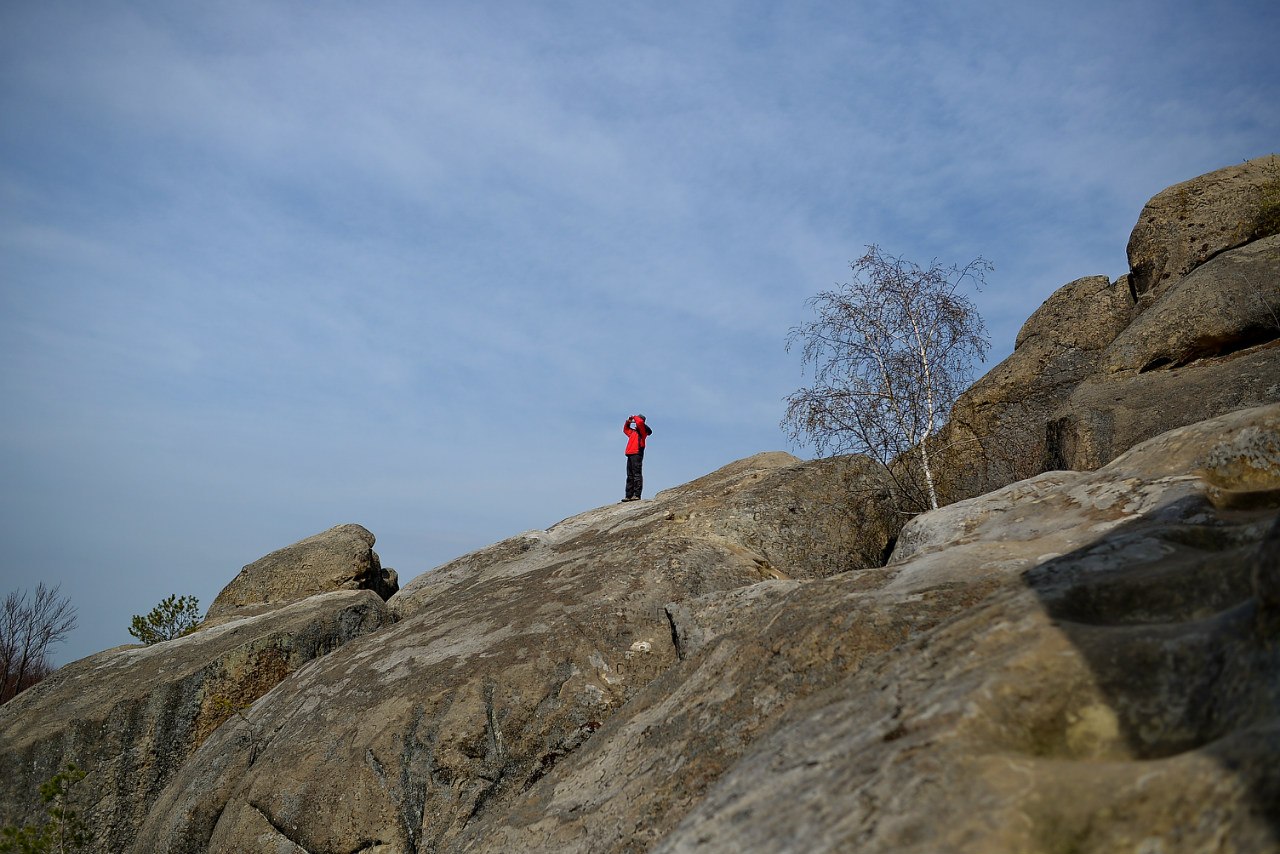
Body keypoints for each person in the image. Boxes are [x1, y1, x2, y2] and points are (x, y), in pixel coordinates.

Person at [621, 414, 653, 502]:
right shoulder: (633, 432)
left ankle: (636, 495)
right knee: (630, 475)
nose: (635, 423)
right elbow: (625, 429)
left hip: (637, 453)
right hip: (630, 453)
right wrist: (628, 421)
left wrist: (634, 416)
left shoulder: (642, 432)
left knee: (636, 474)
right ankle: (629, 495)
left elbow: (640, 422)